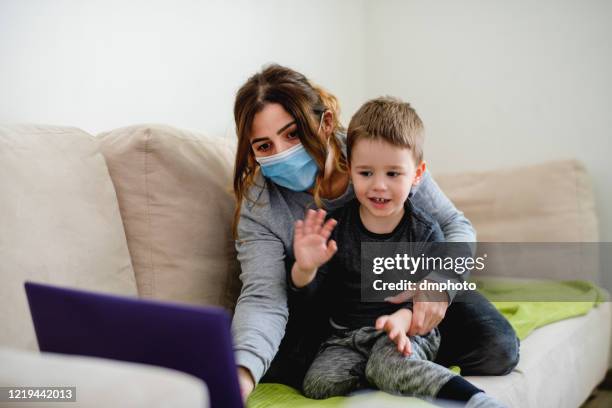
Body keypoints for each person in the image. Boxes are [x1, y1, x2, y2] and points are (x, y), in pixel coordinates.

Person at [231, 64, 519, 401]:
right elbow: (264, 298)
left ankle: (402, 358)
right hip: (331, 314)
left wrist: (439, 283)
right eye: (264, 146)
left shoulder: (377, 151)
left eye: (293, 134)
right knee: (289, 366)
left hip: (403, 287)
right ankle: (382, 363)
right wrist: (240, 375)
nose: (281, 153)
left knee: (496, 347)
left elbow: (456, 226)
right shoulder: (261, 204)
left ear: (324, 123)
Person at [290, 96, 506, 407]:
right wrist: (305, 267)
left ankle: (474, 400)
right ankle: (394, 377)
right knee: (319, 383)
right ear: (350, 169)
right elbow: (311, 294)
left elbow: (423, 301)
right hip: (348, 336)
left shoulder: (424, 230)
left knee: (387, 362)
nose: (379, 186)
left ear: (417, 174)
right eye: (366, 173)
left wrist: (403, 321)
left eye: (393, 174)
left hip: (407, 328)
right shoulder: (337, 226)